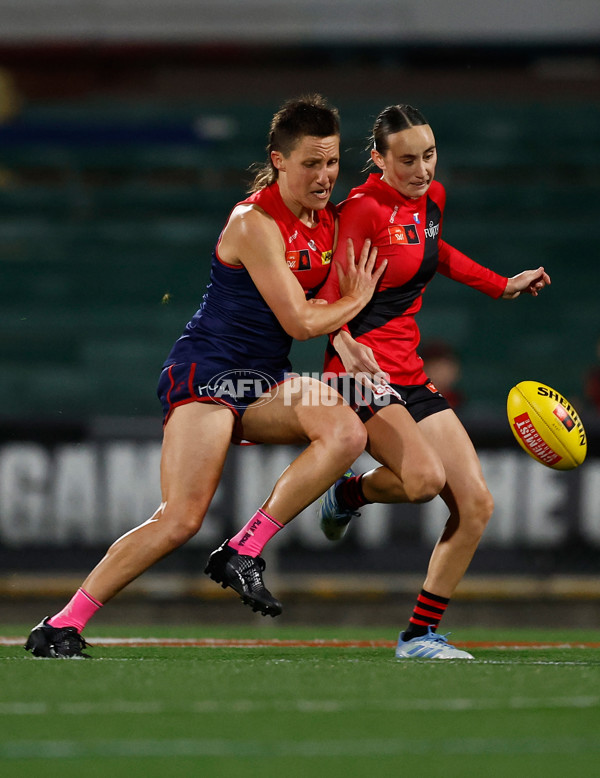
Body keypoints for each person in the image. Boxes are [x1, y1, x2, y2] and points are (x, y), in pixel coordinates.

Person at [25, 94, 385, 658]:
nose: (325, 176)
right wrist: (356, 301)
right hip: (209, 374)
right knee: (179, 520)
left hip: (264, 379)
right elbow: (299, 319)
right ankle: (60, 626)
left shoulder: (324, 221)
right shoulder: (254, 222)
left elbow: (314, 303)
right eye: (311, 163)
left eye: (333, 161)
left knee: (345, 433)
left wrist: (344, 338)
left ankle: (243, 549)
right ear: (279, 160)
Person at [317, 103, 551, 660]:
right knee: (423, 481)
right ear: (379, 159)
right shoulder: (362, 210)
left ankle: (418, 636)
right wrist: (343, 342)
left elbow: (432, 252)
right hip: (359, 371)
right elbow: (326, 292)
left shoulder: (431, 198)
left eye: (429, 155)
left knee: (476, 505)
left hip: (409, 372)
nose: (422, 170)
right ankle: (347, 492)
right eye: (407, 160)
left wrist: (500, 284)